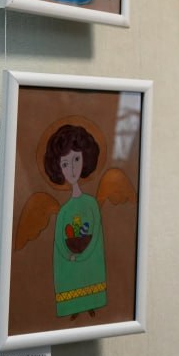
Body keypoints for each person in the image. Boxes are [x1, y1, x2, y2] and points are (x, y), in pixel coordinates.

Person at [43, 124, 107, 319]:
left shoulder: (91, 204)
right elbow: (59, 242)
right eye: (65, 164)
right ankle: (74, 306)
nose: (71, 169)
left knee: (89, 269)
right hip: (71, 256)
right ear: (58, 168)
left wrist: (85, 253)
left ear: (85, 159)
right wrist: (69, 255)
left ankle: (91, 303)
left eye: (76, 160)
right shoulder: (64, 211)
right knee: (69, 271)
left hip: (89, 254)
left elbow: (97, 234)